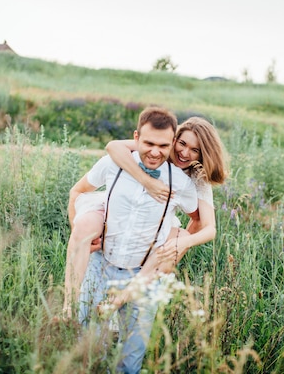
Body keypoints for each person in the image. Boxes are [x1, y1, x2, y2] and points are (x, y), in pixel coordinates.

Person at [68, 106, 199, 373]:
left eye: (163, 145)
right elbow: (78, 191)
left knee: (131, 358)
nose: (154, 151)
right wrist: (83, 232)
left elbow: (197, 222)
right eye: (148, 142)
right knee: (90, 350)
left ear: (172, 144)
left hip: (143, 275)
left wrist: (174, 248)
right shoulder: (111, 164)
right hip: (100, 265)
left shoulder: (181, 184)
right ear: (136, 137)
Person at [63, 116, 227, 316]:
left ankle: (119, 301)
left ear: (204, 154)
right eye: (182, 144)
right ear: (174, 140)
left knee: (178, 239)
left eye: (195, 150)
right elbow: (113, 146)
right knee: (87, 226)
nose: (184, 153)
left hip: (153, 226)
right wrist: (147, 181)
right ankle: (69, 306)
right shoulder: (158, 149)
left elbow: (206, 225)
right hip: (118, 210)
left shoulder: (197, 179)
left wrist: (178, 245)